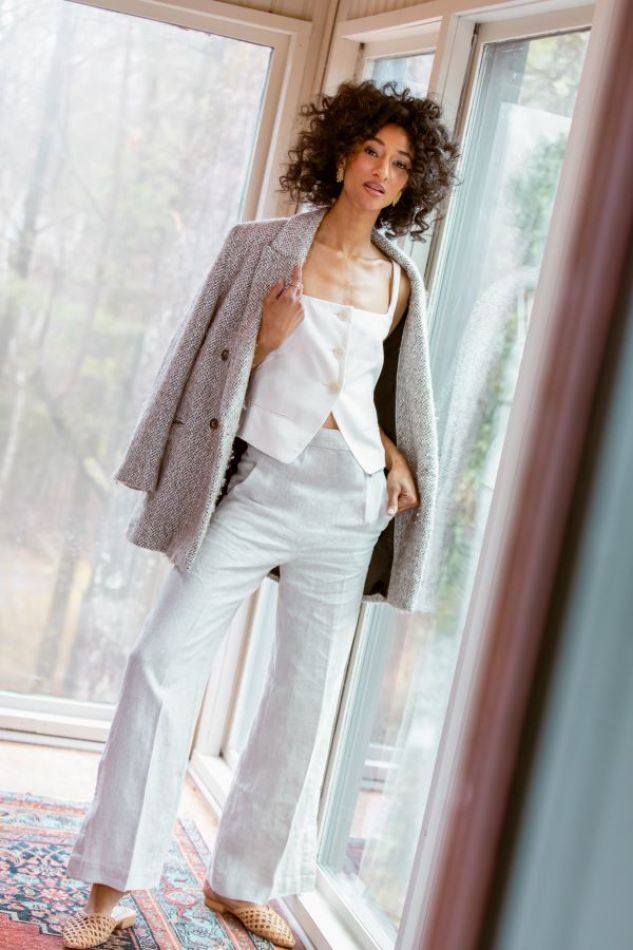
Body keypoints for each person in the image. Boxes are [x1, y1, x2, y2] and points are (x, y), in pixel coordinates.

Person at [60, 79, 460, 949]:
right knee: (159, 664)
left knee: (302, 698)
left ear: (411, 183)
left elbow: (383, 389)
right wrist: (264, 342)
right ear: (340, 152)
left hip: (349, 499)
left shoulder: (399, 279)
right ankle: (108, 890)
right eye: (371, 151)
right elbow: (200, 363)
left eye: (401, 164)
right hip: (257, 484)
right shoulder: (258, 248)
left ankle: (242, 881)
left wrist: (393, 452)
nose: (382, 171)